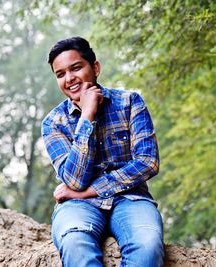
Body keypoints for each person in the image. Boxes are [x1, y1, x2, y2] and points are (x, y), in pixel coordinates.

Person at [41, 36, 164, 267]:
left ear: (95, 67)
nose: (69, 79)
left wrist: (90, 191)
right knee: (75, 244)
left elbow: (148, 162)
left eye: (76, 68)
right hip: (77, 207)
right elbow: (75, 180)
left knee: (147, 245)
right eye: (61, 74)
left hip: (131, 199)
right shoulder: (53, 123)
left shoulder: (130, 102)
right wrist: (87, 115)